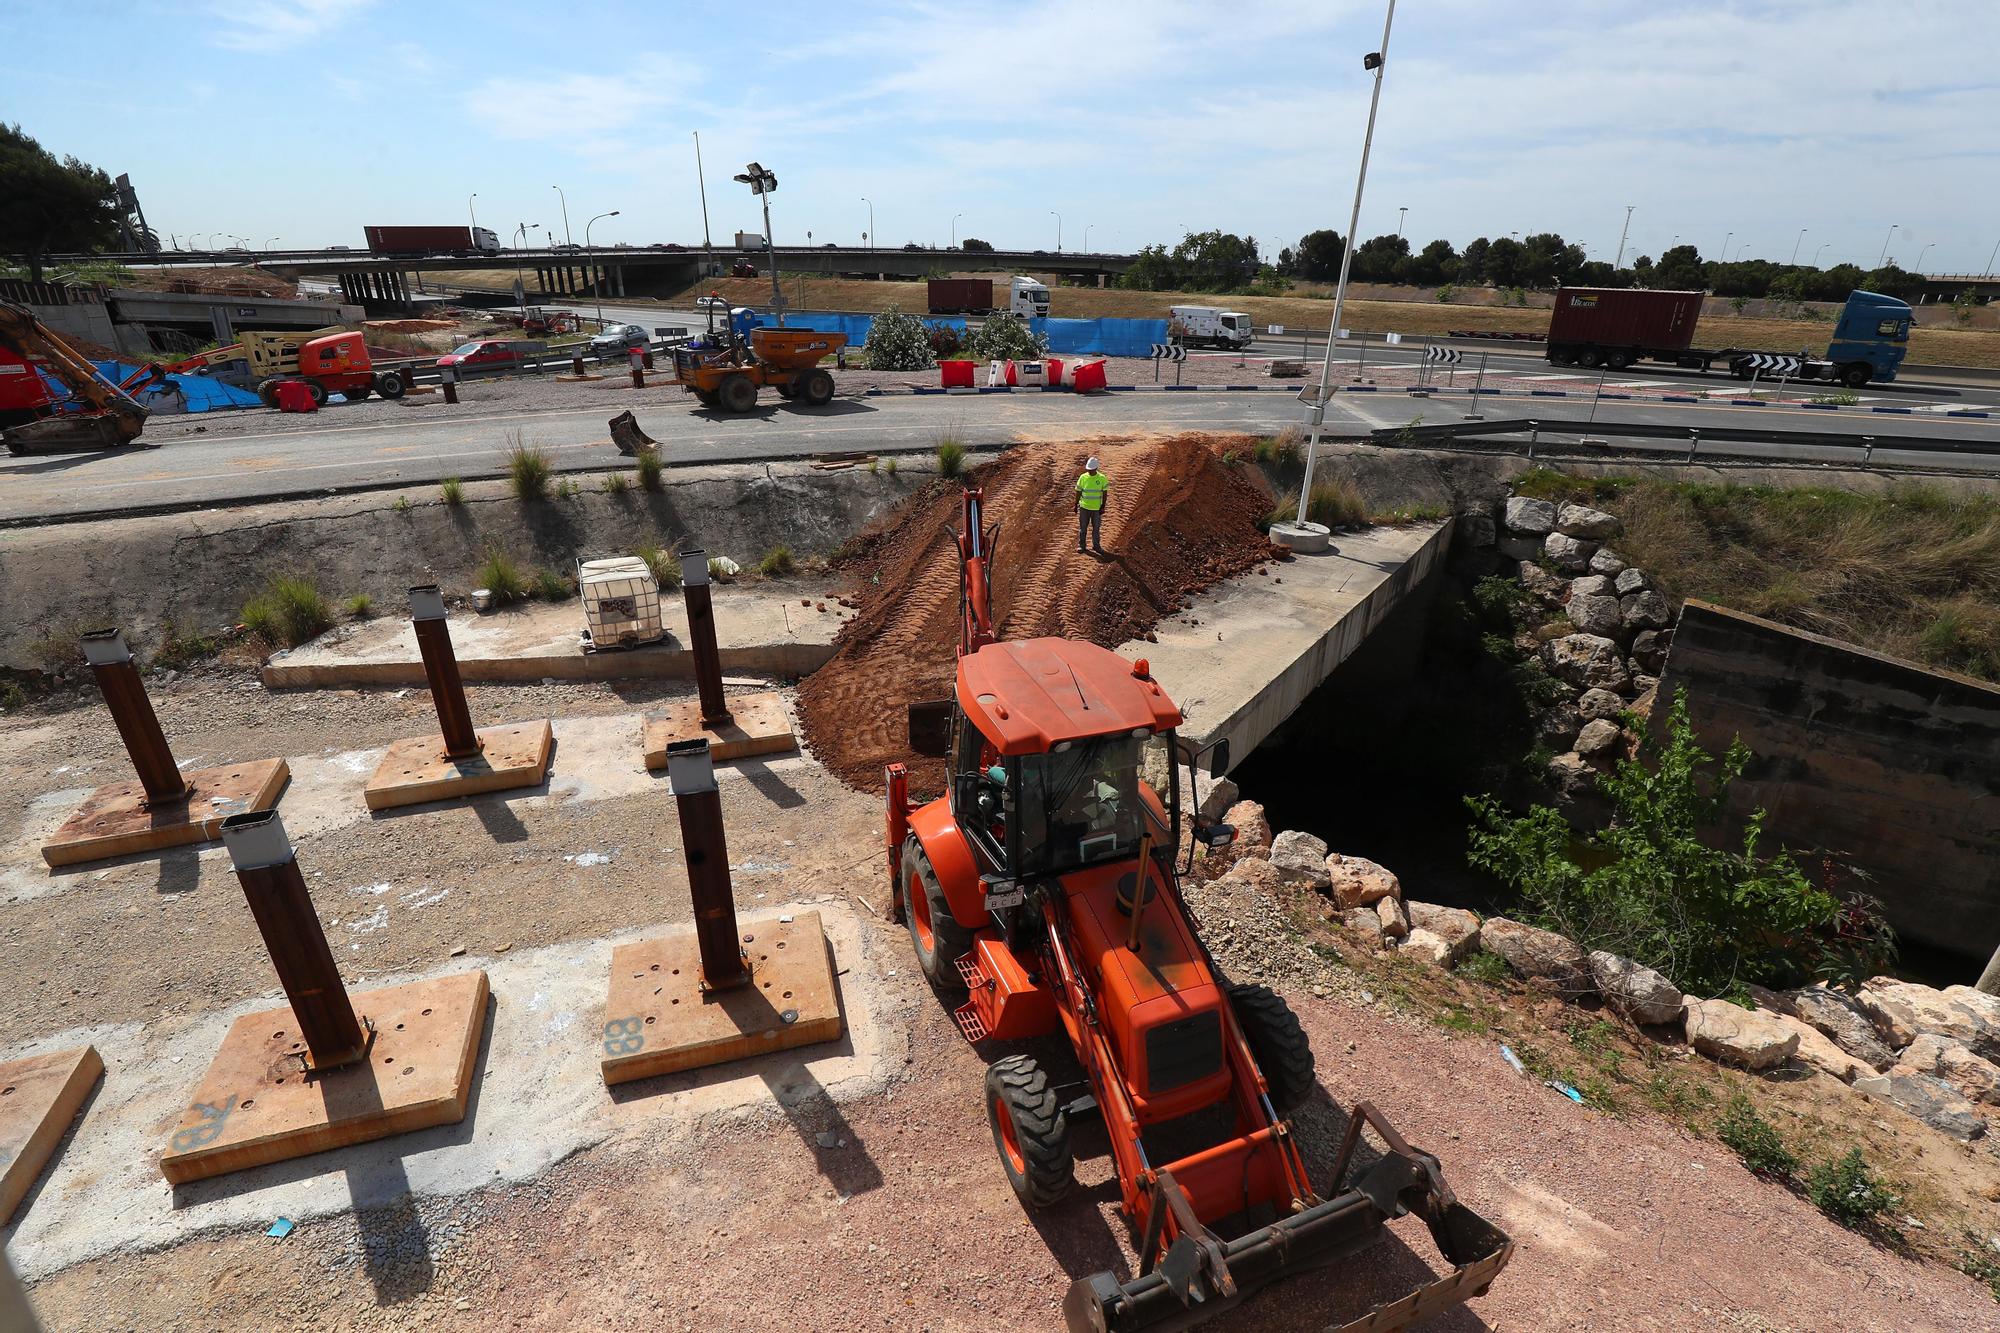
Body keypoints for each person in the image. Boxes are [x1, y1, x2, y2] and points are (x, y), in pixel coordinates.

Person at [1074, 456, 1109, 554]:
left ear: (1096, 468)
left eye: (1091, 470)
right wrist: (1076, 504)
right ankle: (1082, 546)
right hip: (1084, 507)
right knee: (1083, 528)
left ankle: (1096, 546)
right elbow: (1078, 492)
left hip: (1096, 509)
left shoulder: (1102, 478)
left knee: (1096, 528)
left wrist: (1103, 506)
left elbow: (1104, 493)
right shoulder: (1083, 477)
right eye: (1089, 469)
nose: (1089, 471)